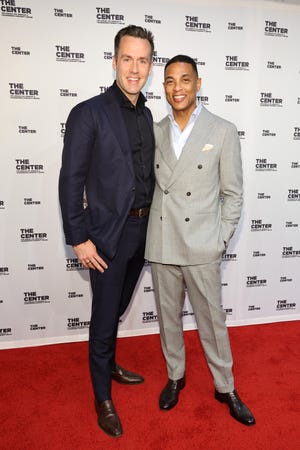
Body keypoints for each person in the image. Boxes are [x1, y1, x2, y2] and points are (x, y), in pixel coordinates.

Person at [145, 55, 255, 426]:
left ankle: (225, 386)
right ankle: (176, 376)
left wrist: (218, 241)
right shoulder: (155, 130)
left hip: (202, 245)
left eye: (185, 80)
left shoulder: (222, 130)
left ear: (198, 83)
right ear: (163, 88)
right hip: (163, 242)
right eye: (171, 81)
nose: (178, 88)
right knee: (168, 318)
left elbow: (233, 194)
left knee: (212, 321)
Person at [59, 25, 155, 438]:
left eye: (143, 60)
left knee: (115, 310)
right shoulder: (87, 112)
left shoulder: (149, 114)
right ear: (114, 61)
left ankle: (110, 363)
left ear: (151, 65)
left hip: (145, 232)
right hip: (106, 239)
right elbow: (71, 180)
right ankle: (103, 397)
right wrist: (79, 239)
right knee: (103, 319)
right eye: (128, 59)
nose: (135, 69)